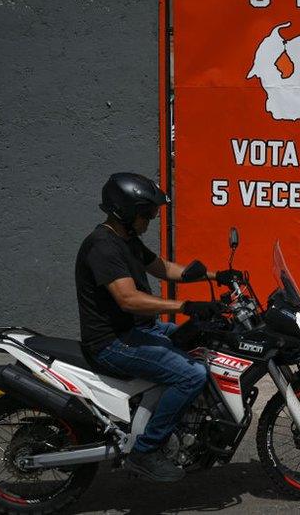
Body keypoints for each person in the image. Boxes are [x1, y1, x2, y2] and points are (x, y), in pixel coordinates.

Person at [75, 172, 239, 482]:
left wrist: (216, 275)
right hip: (112, 342)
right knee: (192, 375)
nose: (151, 217)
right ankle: (146, 450)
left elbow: (163, 268)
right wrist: (185, 306)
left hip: (139, 331)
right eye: (147, 211)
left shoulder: (126, 240)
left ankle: (175, 421)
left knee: (203, 341)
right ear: (125, 210)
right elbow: (128, 299)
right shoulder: (103, 246)